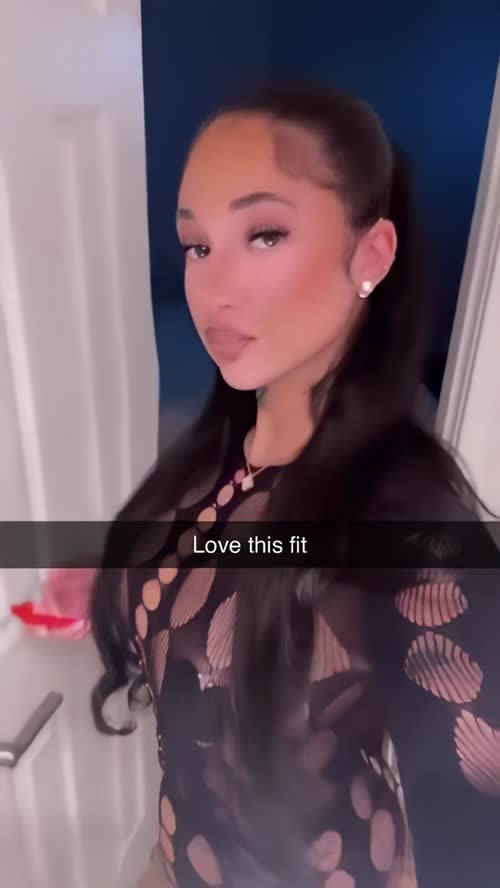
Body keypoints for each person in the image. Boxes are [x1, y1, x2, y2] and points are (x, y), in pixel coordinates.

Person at [90, 82, 500, 888]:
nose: (214, 289)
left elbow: (479, 824)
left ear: (370, 255)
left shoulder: (410, 526)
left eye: (265, 235)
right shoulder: (211, 454)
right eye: (198, 245)